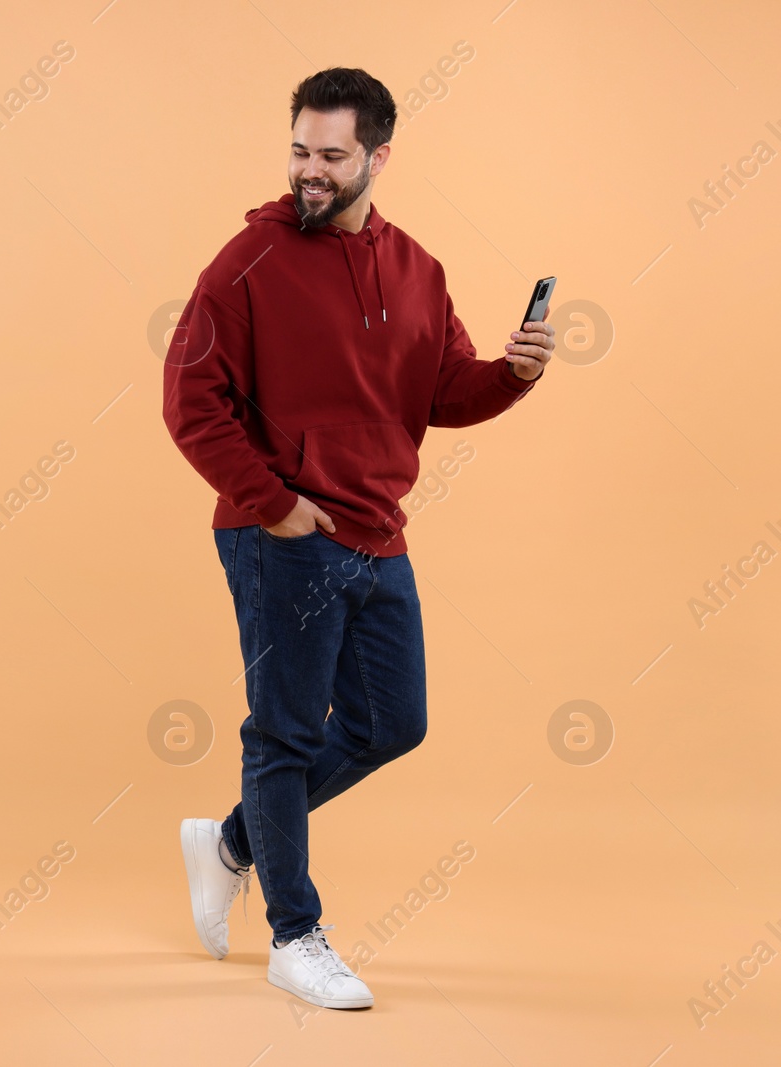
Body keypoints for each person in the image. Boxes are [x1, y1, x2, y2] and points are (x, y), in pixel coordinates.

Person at [161, 66, 554, 1010]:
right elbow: (189, 400)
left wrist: (513, 375)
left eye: (331, 156)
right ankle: (295, 936)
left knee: (392, 723)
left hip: (379, 531)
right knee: (287, 734)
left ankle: (231, 843)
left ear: (378, 157)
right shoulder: (246, 263)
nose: (309, 171)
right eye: (299, 151)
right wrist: (272, 503)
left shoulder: (417, 268)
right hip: (283, 535)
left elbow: (444, 390)